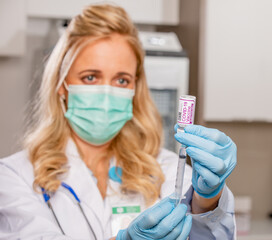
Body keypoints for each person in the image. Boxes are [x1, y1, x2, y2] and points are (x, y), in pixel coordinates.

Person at [0, 3, 237, 240]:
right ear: (62, 85)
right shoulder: (14, 176)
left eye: (121, 80)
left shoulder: (165, 169)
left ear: (135, 87)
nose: (106, 93)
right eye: (90, 77)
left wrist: (207, 202)